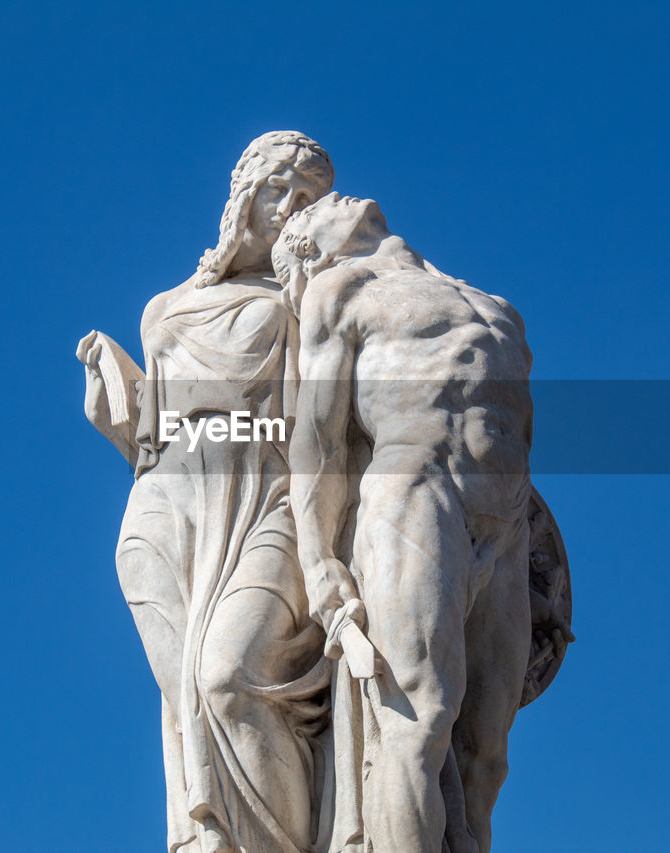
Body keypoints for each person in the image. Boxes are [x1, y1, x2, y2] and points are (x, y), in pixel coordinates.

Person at [77, 132, 333, 853]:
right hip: (163, 501)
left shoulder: (307, 298)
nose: (291, 209)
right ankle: (207, 835)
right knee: (185, 694)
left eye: (308, 198)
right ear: (245, 194)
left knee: (227, 673)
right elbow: (161, 420)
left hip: (266, 492)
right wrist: (120, 404)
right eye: (280, 189)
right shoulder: (164, 308)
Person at [278, 194, 534, 853]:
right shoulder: (340, 289)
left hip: (505, 531)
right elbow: (320, 441)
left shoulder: (497, 307)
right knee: (417, 722)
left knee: (488, 756)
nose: (324, 201)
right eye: (303, 218)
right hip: (414, 494)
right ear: (312, 252)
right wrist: (318, 562)